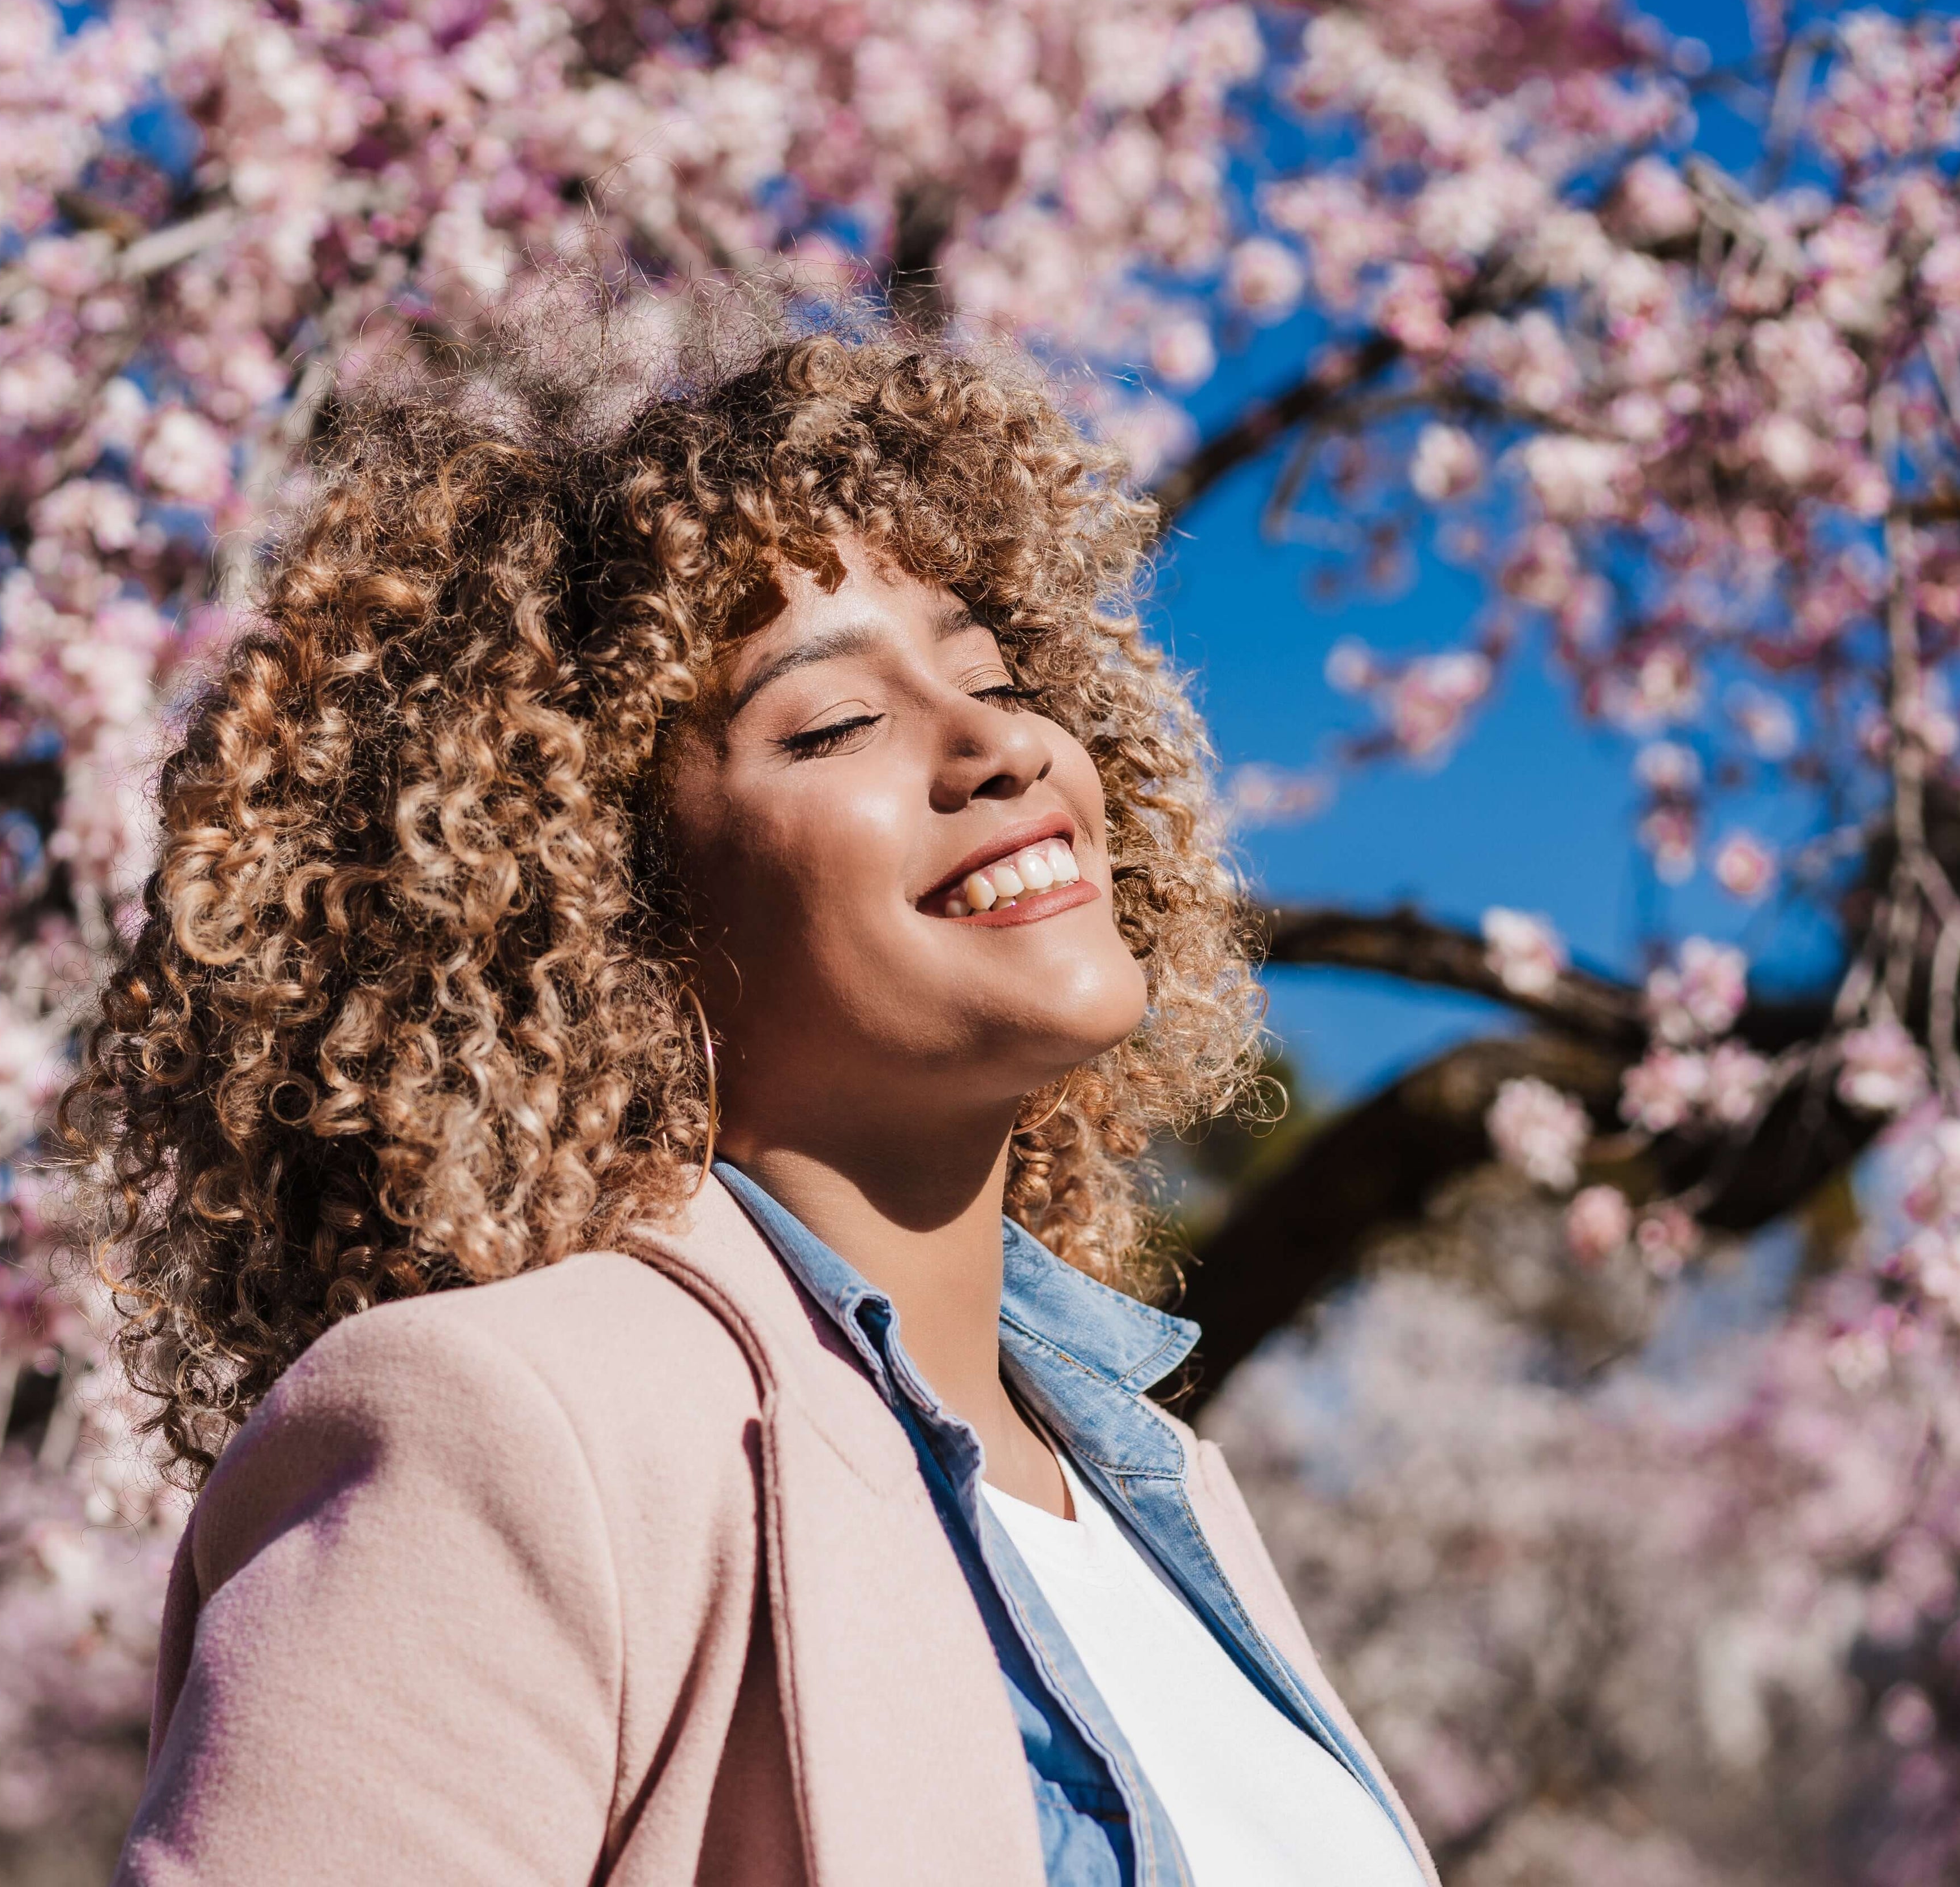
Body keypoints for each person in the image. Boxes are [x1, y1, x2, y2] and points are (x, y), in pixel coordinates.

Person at [71, 300, 1437, 1886]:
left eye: (996, 676)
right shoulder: (511, 1431)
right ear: (593, 906)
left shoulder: (1160, 1484)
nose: (998, 743)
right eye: (836, 720)